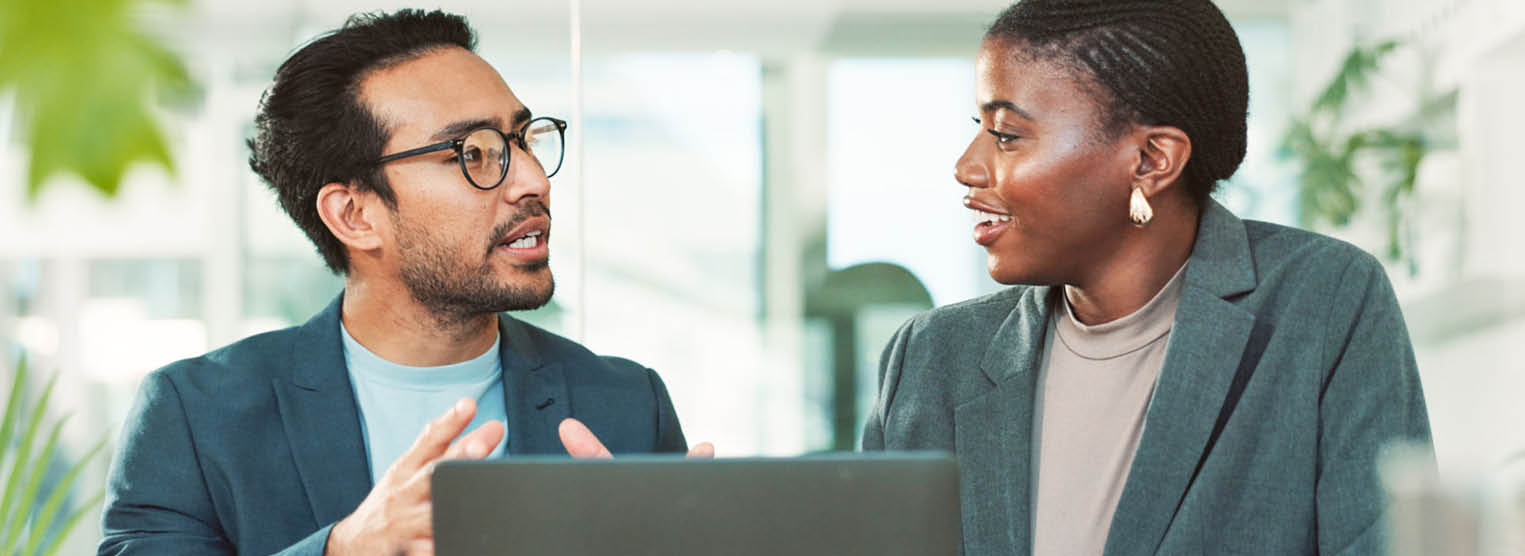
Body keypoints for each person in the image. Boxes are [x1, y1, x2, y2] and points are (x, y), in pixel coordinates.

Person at [99, 10, 709, 556]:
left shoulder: (627, 404)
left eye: (523, 140)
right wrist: (342, 552)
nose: (532, 180)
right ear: (355, 215)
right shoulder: (196, 415)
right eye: (473, 154)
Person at [861, 1, 1432, 554]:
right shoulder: (929, 358)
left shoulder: (1325, 302)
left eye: (1006, 134)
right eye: (979, 128)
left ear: (1152, 160)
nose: (967, 167)